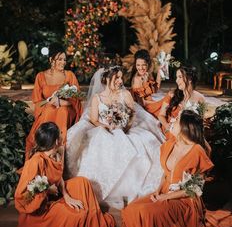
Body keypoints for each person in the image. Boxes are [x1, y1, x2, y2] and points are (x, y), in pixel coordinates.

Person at [121, 110, 232, 227]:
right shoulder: (169, 144)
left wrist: (165, 198)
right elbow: (165, 173)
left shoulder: (197, 151)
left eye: (177, 119)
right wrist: (158, 191)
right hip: (164, 191)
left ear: (185, 127)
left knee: (148, 213)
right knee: (131, 209)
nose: (173, 120)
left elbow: (195, 188)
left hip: (185, 199)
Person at [11, 122, 118, 227]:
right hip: (41, 209)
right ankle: (86, 221)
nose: (62, 137)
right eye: (60, 135)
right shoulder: (35, 161)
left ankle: (93, 221)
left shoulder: (56, 152)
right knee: (77, 215)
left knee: (82, 182)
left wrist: (67, 196)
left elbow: (59, 178)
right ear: (56, 141)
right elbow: (21, 196)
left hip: (57, 194)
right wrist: (47, 190)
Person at [66, 65, 165, 209]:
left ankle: (133, 187)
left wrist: (125, 127)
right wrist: (105, 126)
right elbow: (94, 119)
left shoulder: (125, 94)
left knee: (140, 144)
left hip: (125, 129)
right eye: (116, 77)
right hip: (104, 128)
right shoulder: (97, 98)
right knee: (100, 144)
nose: (120, 80)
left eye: (120, 77)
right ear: (107, 79)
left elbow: (132, 114)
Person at [25, 43, 82, 160]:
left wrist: (61, 102)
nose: (63, 62)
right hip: (47, 109)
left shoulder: (70, 75)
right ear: (51, 60)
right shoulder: (40, 76)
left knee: (63, 111)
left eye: (64, 59)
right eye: (59, 59)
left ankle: (59, 150)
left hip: (66, 109)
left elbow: (76, 100)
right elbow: (37, 102)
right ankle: (45, 147)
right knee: (49, 110)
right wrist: (50, 103)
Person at [158, 65, 205, 139]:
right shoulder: (171, 95)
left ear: (189, 79)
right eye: (177, 77)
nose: (176, 80)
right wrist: (166, 125)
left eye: (180, 77)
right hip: (172, 129)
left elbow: (201, 120)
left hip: (190, 131)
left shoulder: (200, 98)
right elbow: (161, 115)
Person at [131, 49, 164, 118]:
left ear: (147, 64)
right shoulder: (137, 79)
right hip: (145, 107)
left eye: (143, 65)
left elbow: (156, 88)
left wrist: (160, 70)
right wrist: (157, 103)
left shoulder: (147, 74)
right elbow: (141, 103)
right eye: (138, 65)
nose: (141, 68)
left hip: (150, 103)